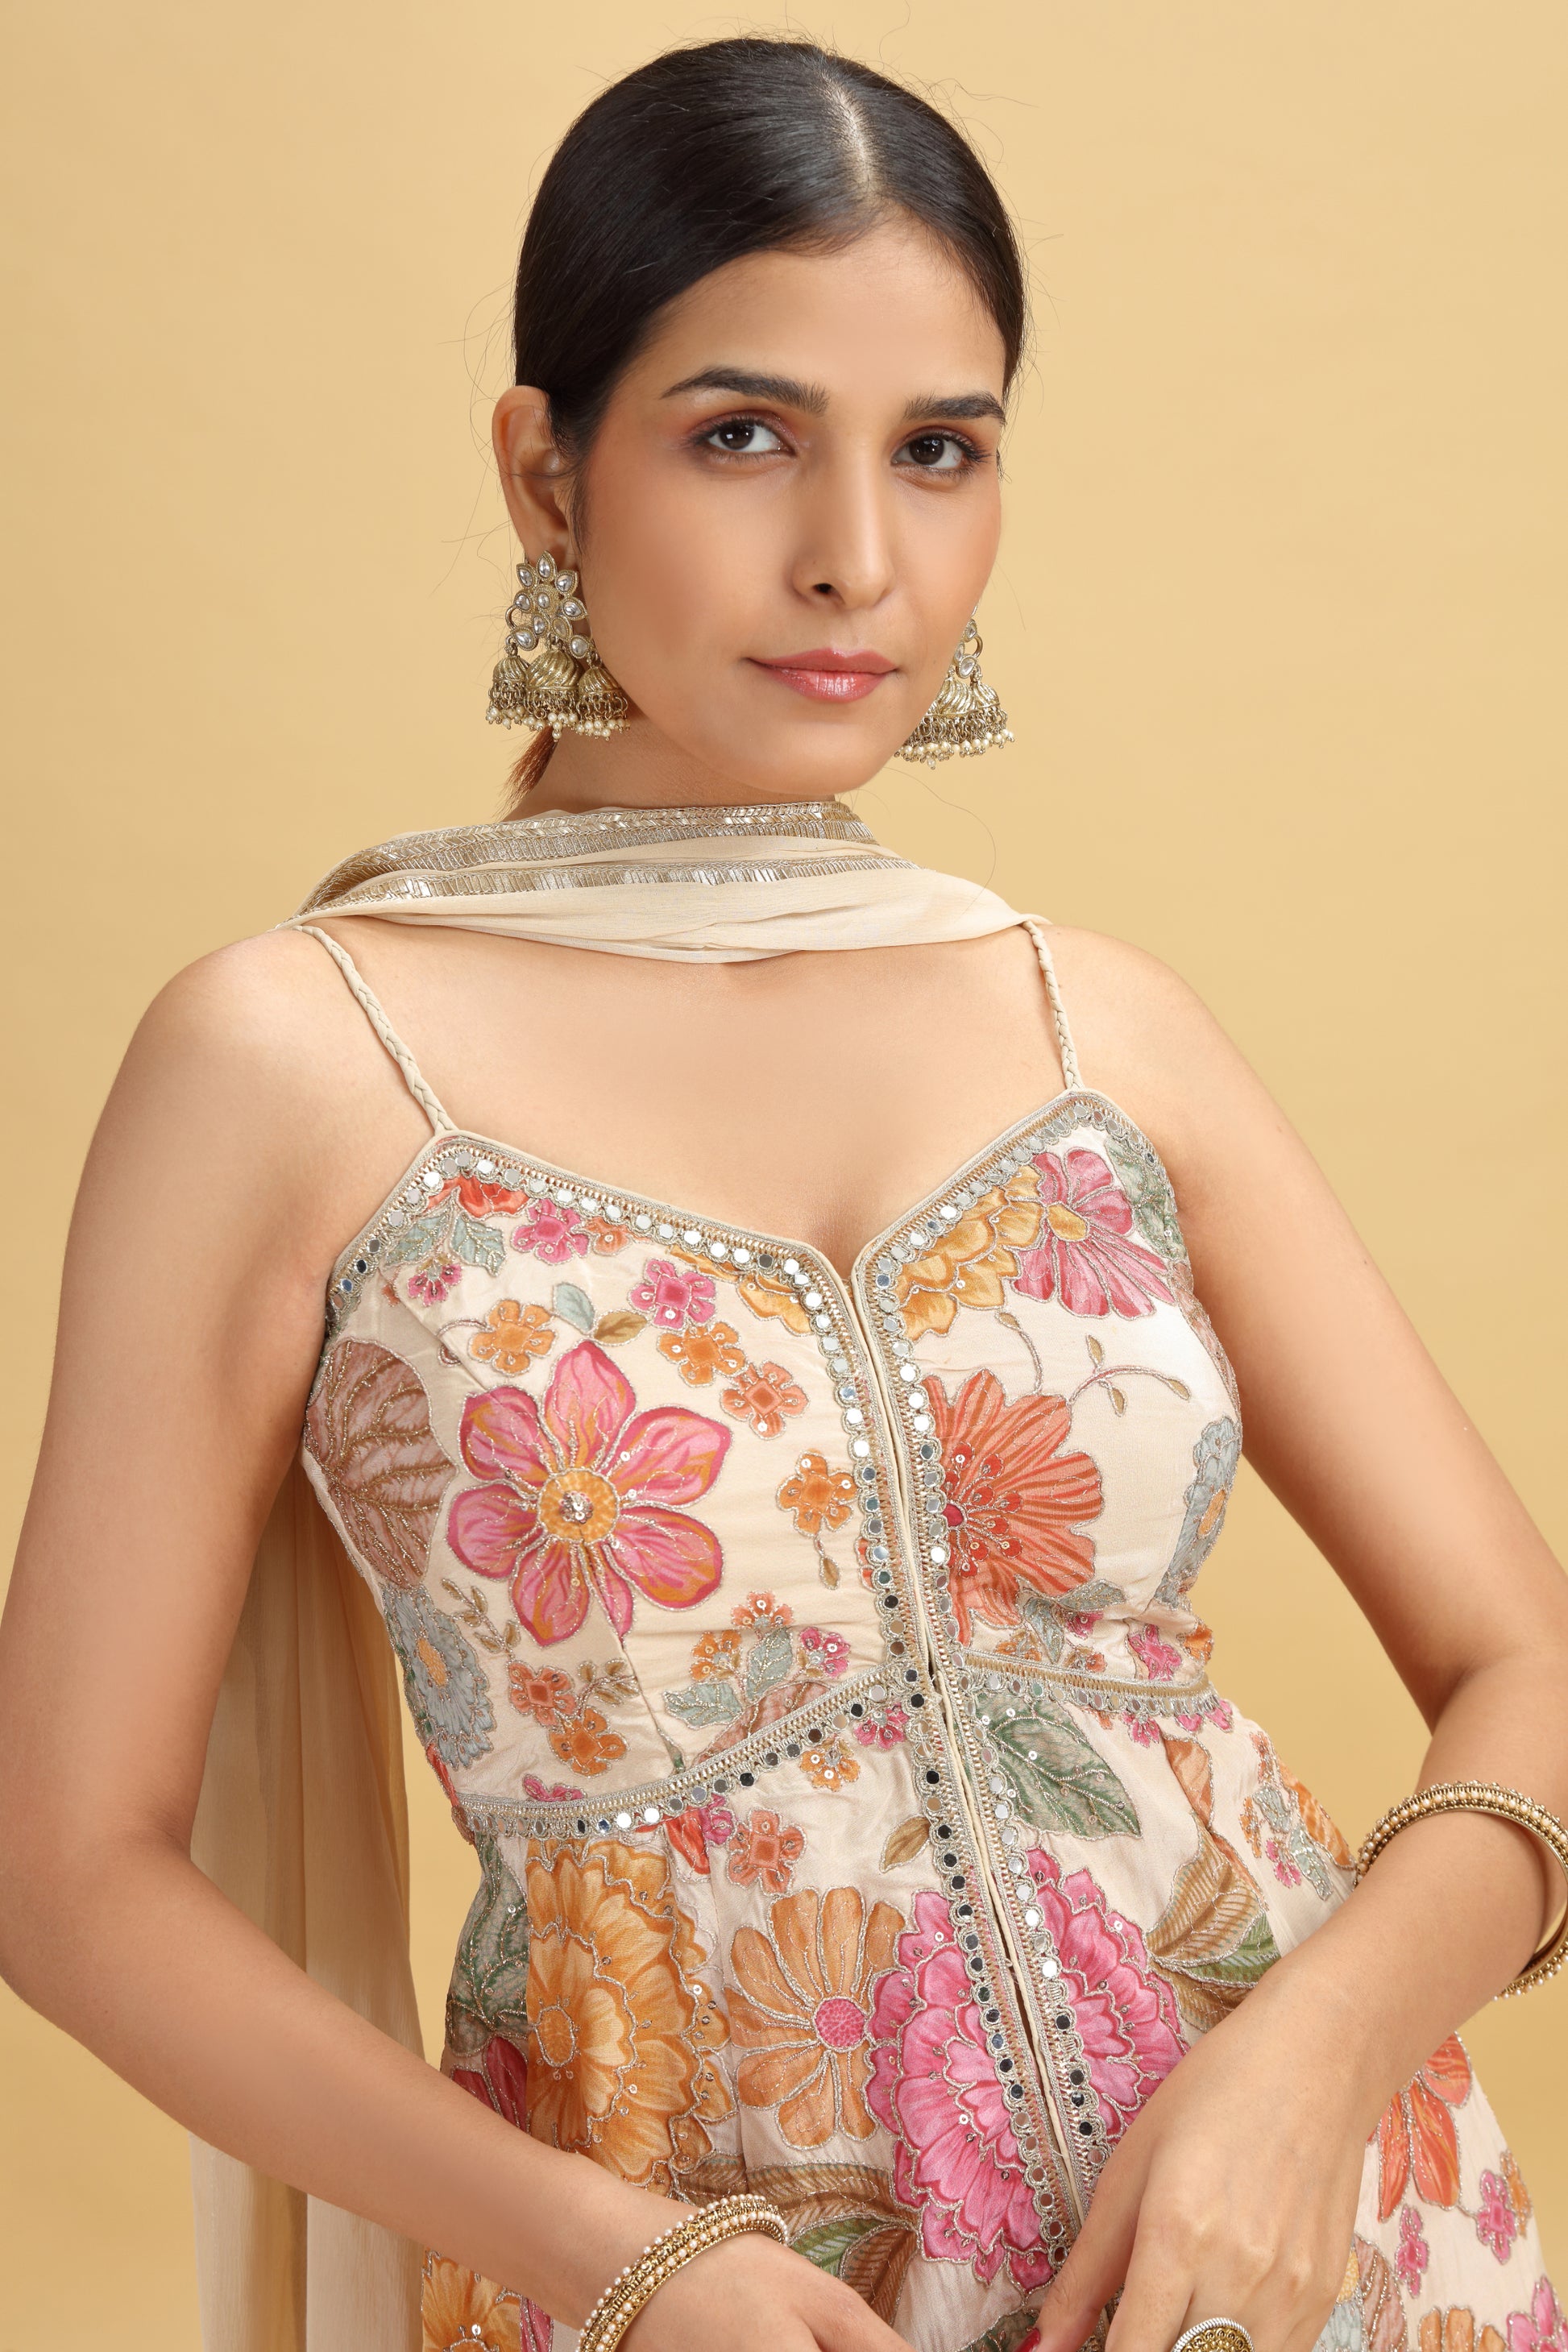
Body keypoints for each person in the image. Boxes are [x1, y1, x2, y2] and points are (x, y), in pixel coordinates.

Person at [1, 31, 1564, 2352]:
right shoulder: (299, 1058)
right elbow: (70, 1872)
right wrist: (612, 2263)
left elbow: (1526, 1664)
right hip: (703, 2300)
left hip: (1323, 2260)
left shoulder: (1091, 1027)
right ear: (544, 470)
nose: (855, 555)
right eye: (743, 434)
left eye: (937, 451)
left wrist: (1311, 2076)